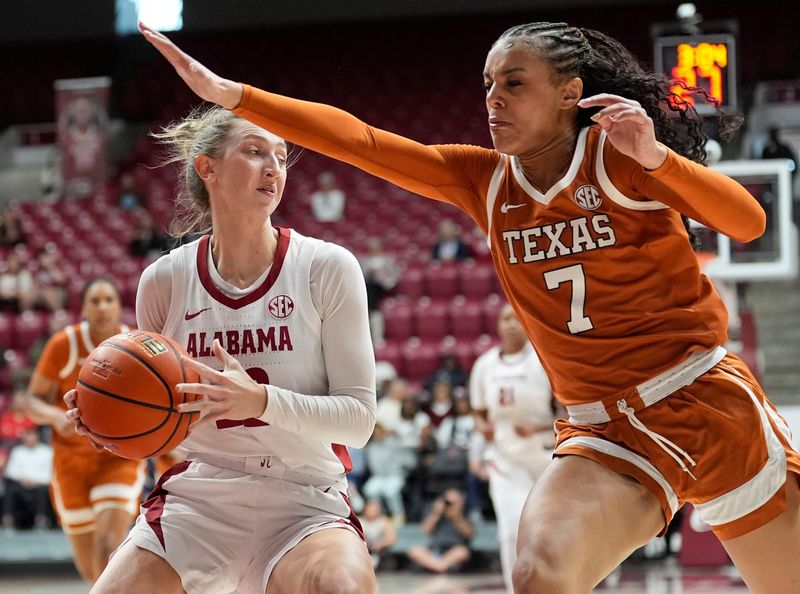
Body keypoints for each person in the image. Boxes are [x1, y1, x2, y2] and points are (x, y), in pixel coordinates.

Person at [142, 20, 800, 593]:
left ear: (569, 92)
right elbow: (362, 142)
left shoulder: (618, 158)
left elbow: (747, 222)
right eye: (487, 84)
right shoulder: (483, 181)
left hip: (705, 406)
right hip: (606, 434)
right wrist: (236, 97)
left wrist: (657, 158)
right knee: (540, 572)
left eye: (514, 83)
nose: (493, 99)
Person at [65, 103, 377, 594]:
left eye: (279, 156)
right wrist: (110, 422)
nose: (274, 167)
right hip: (200, 497)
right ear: (206, 167)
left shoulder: (327, 267)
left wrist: (259, 402)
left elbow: (358, 421)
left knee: (343, 588)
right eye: (255, 152)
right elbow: (161, 422)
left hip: (303, 496)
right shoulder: (164, 280)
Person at [23, 277, 143, 582]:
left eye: (109, 300)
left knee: (108, 549)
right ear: (84, 309)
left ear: (119, 306)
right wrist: (54, 416)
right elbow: (32, 400)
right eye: (95, 301)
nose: (102, 307)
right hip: (70, 464)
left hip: (119, 458)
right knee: (91, 570)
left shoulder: (135, 344)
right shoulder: (64, 344)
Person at [470, 302, 557, 593]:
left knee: (550, 535)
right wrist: (484, 428)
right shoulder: (484, 365)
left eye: (516, 318)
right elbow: (479, 413)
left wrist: (538, 427)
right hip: (506, 461)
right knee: (510, 531)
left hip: (548, 458)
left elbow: (570, 414)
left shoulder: (545, 360)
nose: (510, 324)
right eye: (505, 318)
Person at [406, 488, 473, 574]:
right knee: (414, 551)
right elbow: (425, 530)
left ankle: (435, 567)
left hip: (453, 549)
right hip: (435, 549)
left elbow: (469, 533)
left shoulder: (466, 514)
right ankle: (441, 567)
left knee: (462, 552)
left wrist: (456, 517)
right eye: (447, 502)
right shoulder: (436, 514)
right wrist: (436, 513)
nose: (449, 505)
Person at [1, 426, 53, 530]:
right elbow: (11, 471)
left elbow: (50, 473)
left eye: (32, 435)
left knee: (41, 491)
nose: (30, 438)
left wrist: (35, 481)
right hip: (21, 484)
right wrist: (23, 480)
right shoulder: (17, 451)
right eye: (28, 435)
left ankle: (41, 520)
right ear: (24, 437)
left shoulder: (47, 451)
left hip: (40, 484)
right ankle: (7, 519)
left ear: (37, 436)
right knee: (11, 490)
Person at [360, 498, 397, 570]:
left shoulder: (384, 521)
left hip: (380, 549)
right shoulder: (360, 520)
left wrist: (380, 544)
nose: (371, 512)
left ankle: (373, 566)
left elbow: (391, 538)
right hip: (363, 547)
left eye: (374, 510)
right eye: (369, 509)